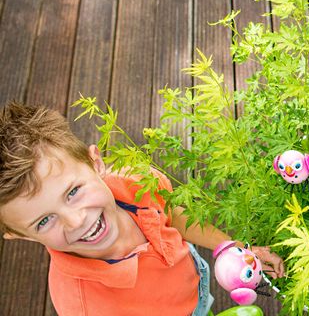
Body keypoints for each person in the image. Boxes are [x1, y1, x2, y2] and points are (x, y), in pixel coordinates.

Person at [0, 102, 285, 316]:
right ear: (21, 234)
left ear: (96, 164)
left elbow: (174, 217)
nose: (76, 221)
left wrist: (233, 247)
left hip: (193, 282)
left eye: (73, 192)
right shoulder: (80, 304)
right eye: (44, 221)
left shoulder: (138, 182)